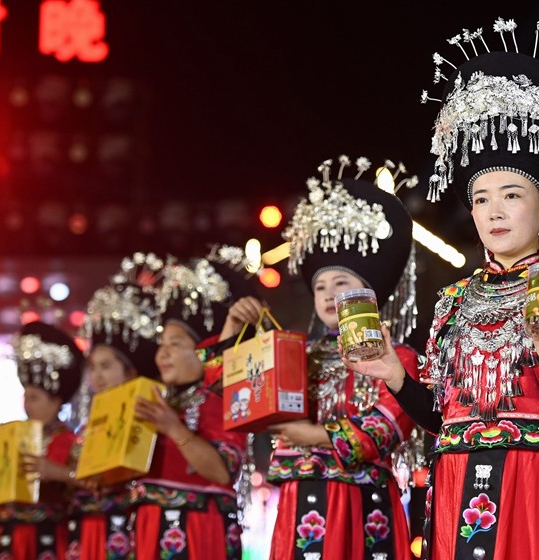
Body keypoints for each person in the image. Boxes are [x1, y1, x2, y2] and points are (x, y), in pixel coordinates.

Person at [345, 18, 539, 560]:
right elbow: (440, 415)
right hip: (456, 481)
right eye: (480, 198)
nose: (494, 210)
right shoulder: (453, 299)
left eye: (512, 195)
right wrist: (395, 377)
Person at [220, 156, 421, 560]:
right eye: (321, 286)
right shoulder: (300, 354)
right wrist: (234, 335)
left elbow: (387, 426)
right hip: (300, 499)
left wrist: (312, 435)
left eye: (342, 283)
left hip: (364, 500)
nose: (330, 294)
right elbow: (237, 397)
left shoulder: (397, 356)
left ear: (369, 292)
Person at [130, 254, 249, 560]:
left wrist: (173, 428)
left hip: (197, 530)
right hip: (148, 529)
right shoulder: (160, 400)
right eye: (162, 344)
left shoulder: (222, 396)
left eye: (176, 344)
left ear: (204, 352)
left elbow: (222, 472)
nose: (163, 353)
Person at [67, 251, 165, 560]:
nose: (97, 376)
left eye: (106, 366)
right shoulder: (89, 425)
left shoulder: (151, 410)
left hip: (136, 529)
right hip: (93, 534)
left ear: (131, 371)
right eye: (93, 367)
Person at [0, 320, 85, 560]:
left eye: (35, 397)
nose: (27, 404)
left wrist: (58, 472)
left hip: (51, 537)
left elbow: (90, 485)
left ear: (56, 401)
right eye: (26, 396)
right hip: (11, 537)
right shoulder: (13, 437)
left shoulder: (71, 440)